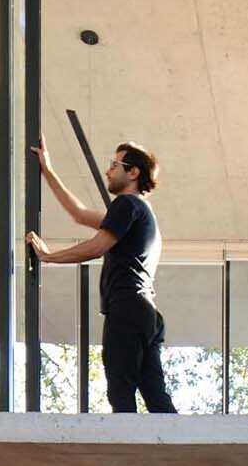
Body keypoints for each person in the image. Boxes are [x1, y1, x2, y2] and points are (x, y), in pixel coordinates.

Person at [28, 138, 174, 413]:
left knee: (120, 391)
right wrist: (47, 170)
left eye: (114, 164)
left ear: (133, 172)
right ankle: (180, 452)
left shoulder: (128, 204)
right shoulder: (141, 211)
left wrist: (48, 257)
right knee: (155, 395)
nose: (108, 171)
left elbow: (97, 246)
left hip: (128, 308)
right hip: (147, 314)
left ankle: (126, 455)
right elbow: (80, 214)